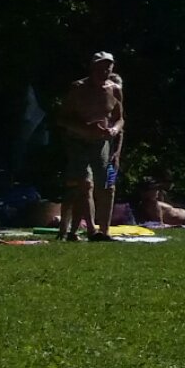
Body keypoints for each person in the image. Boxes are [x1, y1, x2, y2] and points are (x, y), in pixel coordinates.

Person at [57, 52, 125, 243]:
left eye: (108, 67)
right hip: (78, 142)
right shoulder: (78, 88)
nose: (104, 71)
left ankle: (105, 230)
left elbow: (120, 119)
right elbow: (62, 118)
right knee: (85, 184)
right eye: (100, 67)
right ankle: (90, 230)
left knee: (107, 185)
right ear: (92, 68)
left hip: (102, 143)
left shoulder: (115, 90)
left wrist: (114, 130)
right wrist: (85, 128)